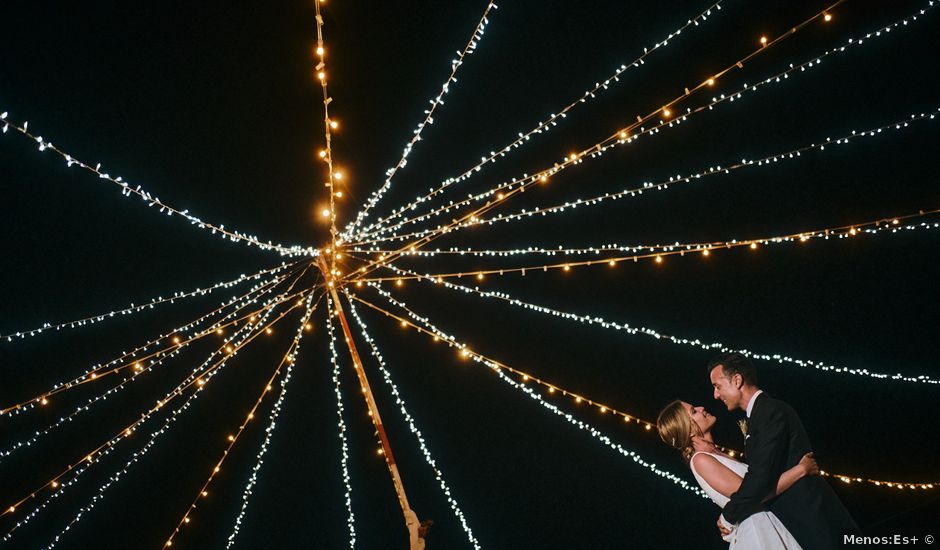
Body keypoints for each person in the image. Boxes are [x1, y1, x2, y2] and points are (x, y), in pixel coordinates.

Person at [708, 352, 860, 549]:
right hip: (797, 519)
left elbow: (761, 476)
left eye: (717, 386)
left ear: (737, 380)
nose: (716, 395)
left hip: (810, 515)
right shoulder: (758, 416)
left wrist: (728, 515)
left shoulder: (769, 411)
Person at [658, 399, 813, 548]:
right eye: (693, 411)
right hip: (758, 534)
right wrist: (801, 470)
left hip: (770, 523)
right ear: (688, 430)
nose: (701, 408)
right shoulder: (700, 460)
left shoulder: (715, 454)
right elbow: (751, 495)